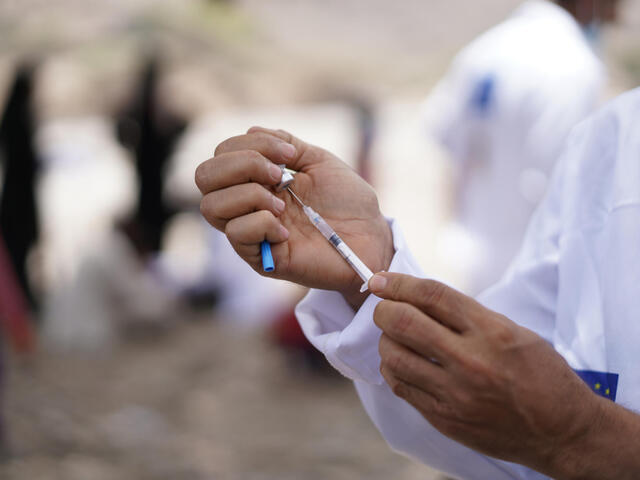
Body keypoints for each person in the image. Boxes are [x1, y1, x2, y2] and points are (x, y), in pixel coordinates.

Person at [196, 82, 640, 477]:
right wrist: (367, 270)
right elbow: (510, 414)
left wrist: (584, 435)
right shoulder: (614, 139)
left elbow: (557, 426)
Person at [423, 0, 611, 293]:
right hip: (534, 278)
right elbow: (561, 183)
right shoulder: (571, 64)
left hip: (473, 263)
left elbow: (446, 141)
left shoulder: (484, 50)